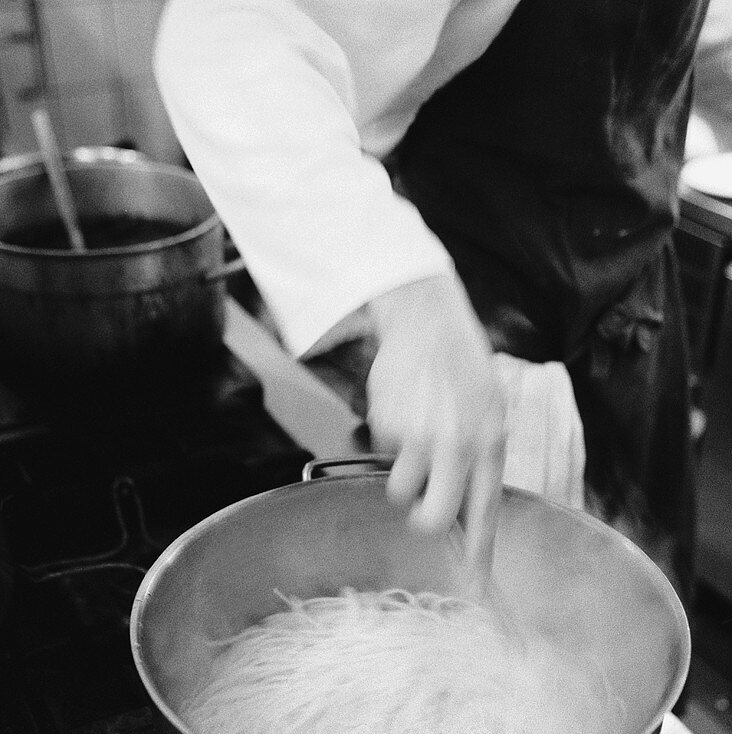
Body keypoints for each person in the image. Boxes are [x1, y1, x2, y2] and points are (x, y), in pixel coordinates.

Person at [154, 0, 708, 603]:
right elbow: (226, 31)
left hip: (634, 309)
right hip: (470, 336)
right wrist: (414, 300)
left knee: (635, 610)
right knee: (469, 612)